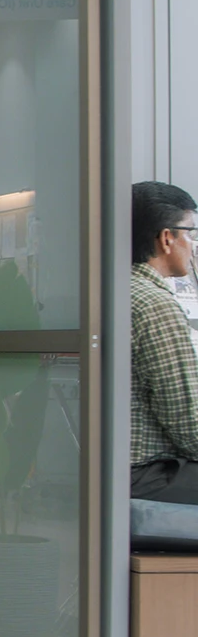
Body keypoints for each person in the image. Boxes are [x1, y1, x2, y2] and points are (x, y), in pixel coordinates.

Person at [130, 181, 198, 503]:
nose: (193, 245)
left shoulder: (115, 290)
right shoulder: (155, 305)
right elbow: (190, 427)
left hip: (108, 467)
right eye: (191, 233)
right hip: (145, 475)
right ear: (167, 238)